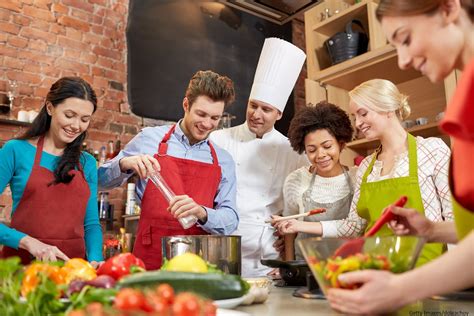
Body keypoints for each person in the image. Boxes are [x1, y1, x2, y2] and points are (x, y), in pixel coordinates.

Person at [326, 0, 474, 313]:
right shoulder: (465, 103)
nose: (403, 61)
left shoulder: (433, 148)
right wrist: (432, 231)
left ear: (448, 8)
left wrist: (399, 288)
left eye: (405, 38)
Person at [277, 79, 453, 266]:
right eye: (355, 117)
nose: (358, 123)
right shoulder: (367, 167)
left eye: (363, 114)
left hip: (428, 268)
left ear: (387, 108)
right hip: (378, 268)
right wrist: (297, 225)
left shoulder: (432, 150)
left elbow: (453, 218)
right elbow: (353, 226)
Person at [98, 70, 238, 270]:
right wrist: (123, 164)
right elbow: (99, 180)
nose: (207, 124)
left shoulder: (223, 160)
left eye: (215, 118)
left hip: (197, 263)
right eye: (201, 114)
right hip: (149, 257)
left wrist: (202, 212)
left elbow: (231, 219)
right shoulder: (149, 139)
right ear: (186, 105)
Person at [209, 37, 308, 277]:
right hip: (223, 245)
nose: (256, 114)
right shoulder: (218, 140)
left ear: (279, 113)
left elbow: (303, 205)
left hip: (268, 252)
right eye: (253, 105)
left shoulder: (293, 150)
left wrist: (290, 244)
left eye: (266, 109)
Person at [0, 77, 103, 266]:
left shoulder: (86, 162)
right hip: (22, 268)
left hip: (71, 270)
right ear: (50, 108)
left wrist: (97, 259)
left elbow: (91, 224)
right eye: (69, 115)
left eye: (84, 119)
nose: (76, 126)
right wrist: (27, 242)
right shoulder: (15, 150)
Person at [272, 102, 354, 261]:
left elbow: (357, 227)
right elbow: (290, 231)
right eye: (312, 150)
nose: (320, 155)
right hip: (306, 267)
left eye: (327, 146)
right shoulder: (296, 180)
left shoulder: (357, 177)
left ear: (341, 144)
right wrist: (290, 267)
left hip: (348, 266)